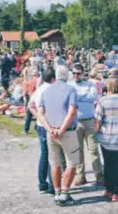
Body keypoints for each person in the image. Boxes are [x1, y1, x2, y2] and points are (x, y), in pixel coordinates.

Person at [37, 65, 79, 206]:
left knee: (55, 164)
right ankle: (65, 193)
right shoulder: (71, 90)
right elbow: (72, 111)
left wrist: (49, 128)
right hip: (67, 132)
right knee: (72, 163)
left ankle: (56, 191)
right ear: (67, 76)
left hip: (51, 132)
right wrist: (62, 129)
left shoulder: (46, 90)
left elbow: (40, 113)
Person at [68, 64, 103, 186]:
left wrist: (77, 97)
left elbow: (93, 97)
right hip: (75, 122)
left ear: (83, 74)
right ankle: (80, 176)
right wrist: (84, 96)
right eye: (74, 73)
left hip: (89, 120)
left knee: (93, 149)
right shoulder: (70, 85)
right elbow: (70, 100)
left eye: (78, 73)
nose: (76, 75)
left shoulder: (90, 84)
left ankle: (99, 175)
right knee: (78, 151)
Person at [28, 68, 55, 194]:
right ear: (53, 79)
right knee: (53, 156)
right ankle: (53, 184)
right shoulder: (51, 90)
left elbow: (30, 105)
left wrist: (38, 115)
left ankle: (42, 183)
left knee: (44, 154)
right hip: (50, 125)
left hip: (40, 124)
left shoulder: (38, 90)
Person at [24, 69, 40, 135]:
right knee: (39, 115)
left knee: (29, 116)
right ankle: (36, 126)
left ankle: (26, 130)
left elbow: (26, 92)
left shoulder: (30, 82)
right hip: (37, 100)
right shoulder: (39, 81)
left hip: (31, 99)